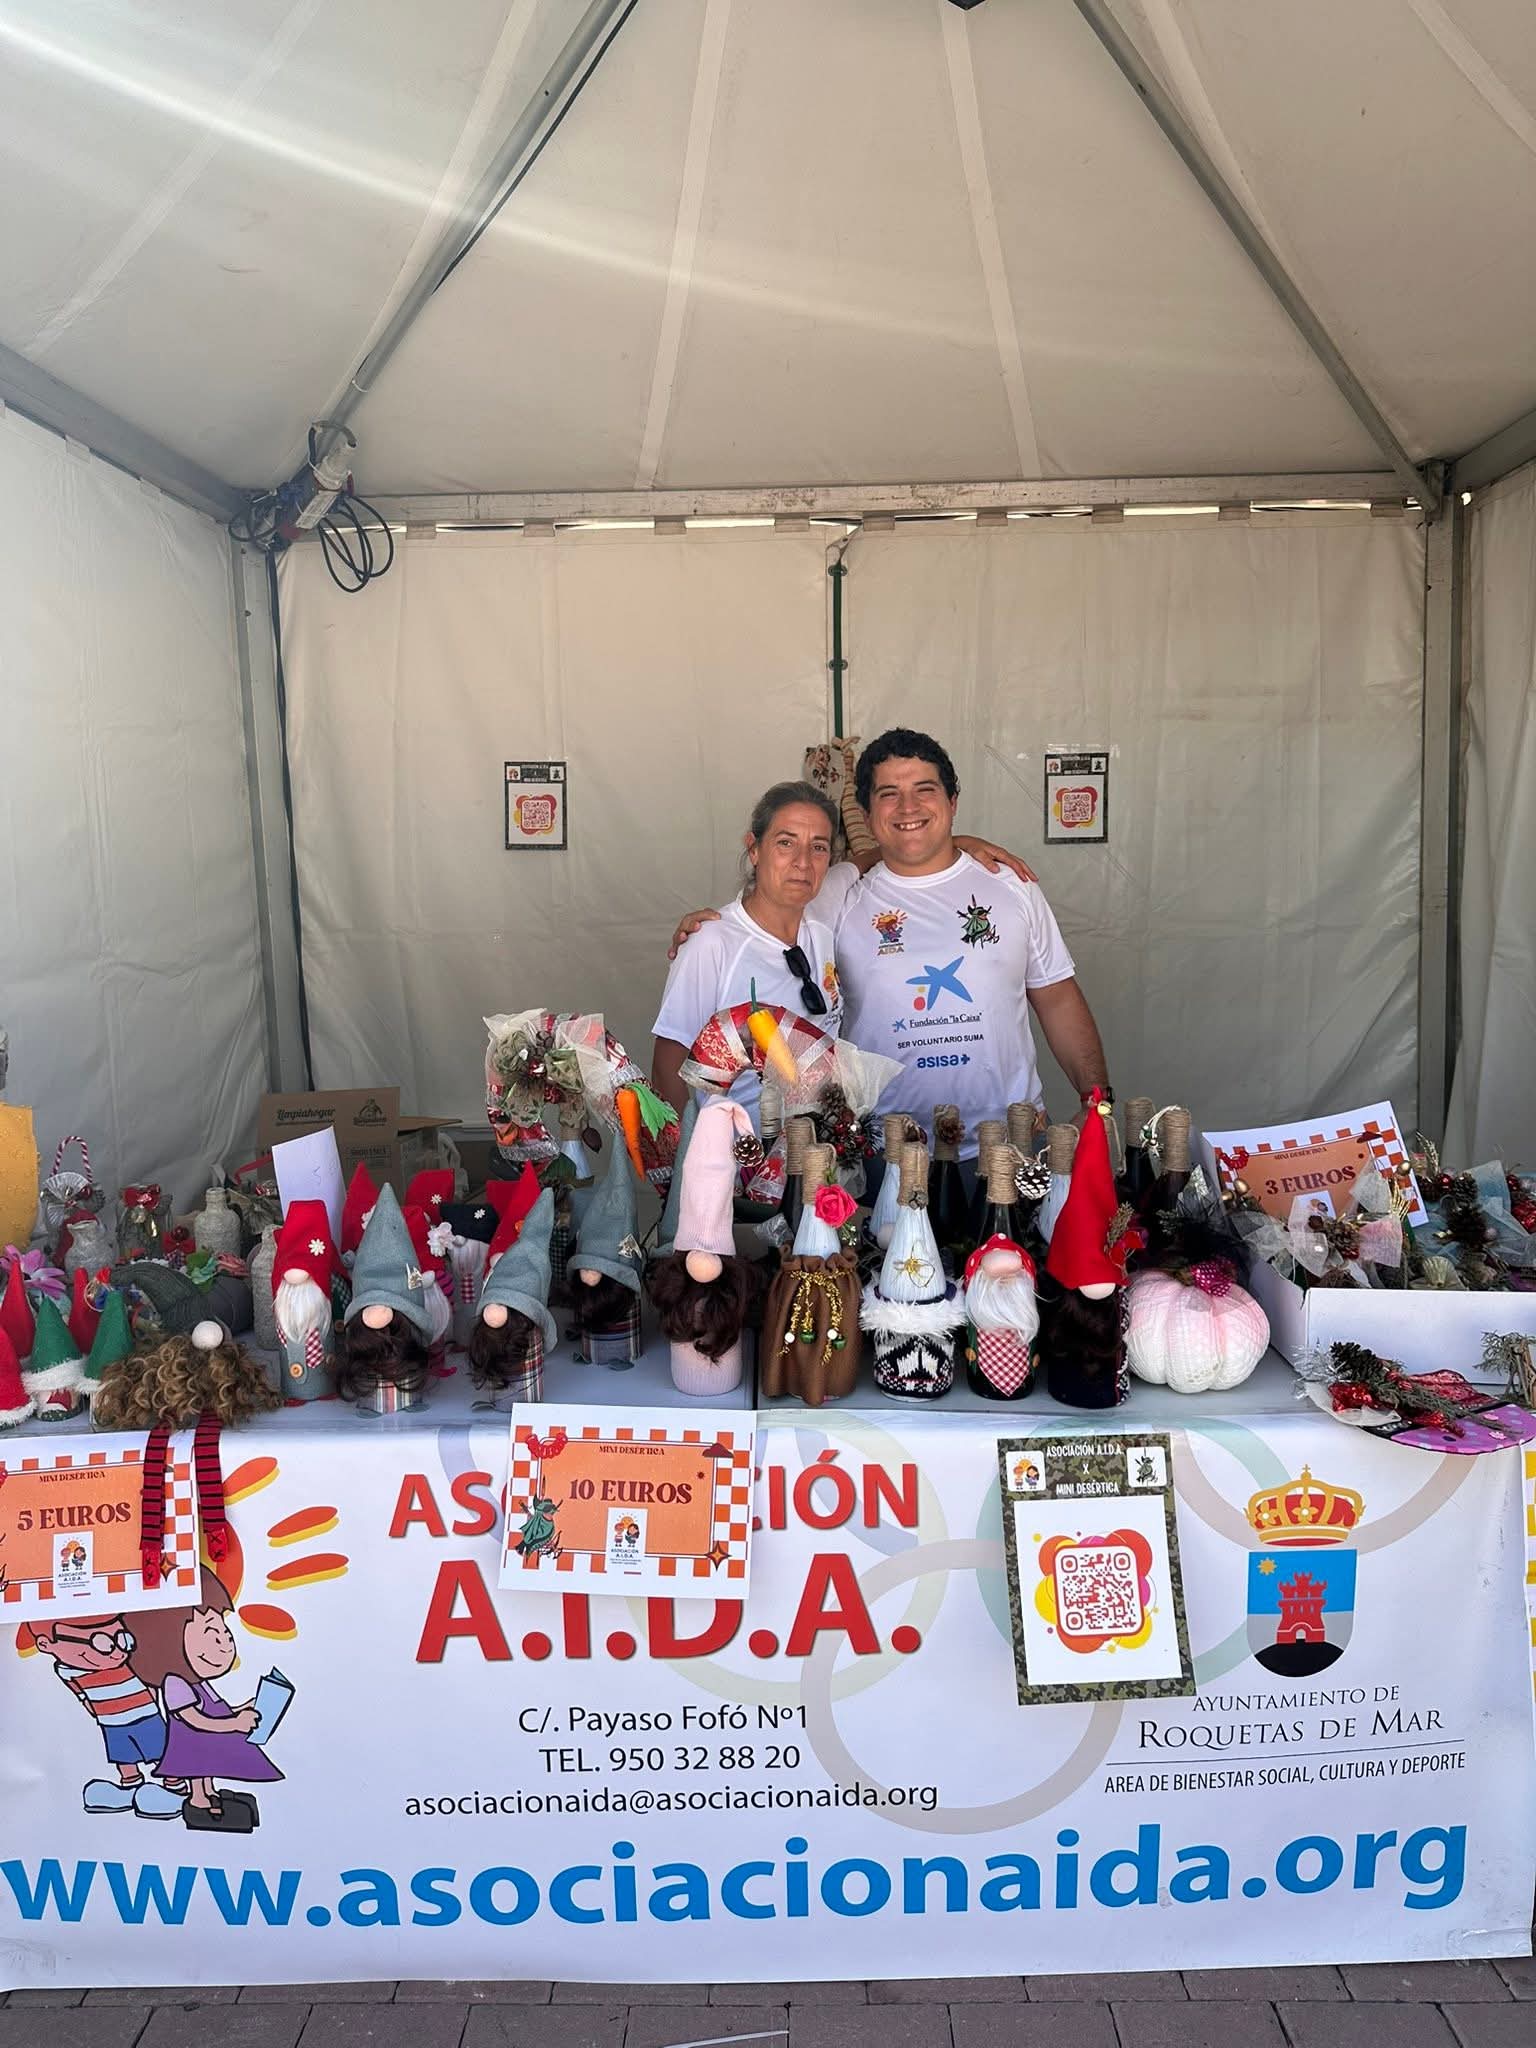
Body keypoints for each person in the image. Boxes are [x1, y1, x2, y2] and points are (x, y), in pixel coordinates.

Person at [669, 730, 1108, 1153]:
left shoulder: (1011, 885)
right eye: (888, 794)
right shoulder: (837, 899)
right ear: (866, 814)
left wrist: (1097, 1100)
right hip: (882, 1152)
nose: (908, 806)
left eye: (925, 790)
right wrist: (707, 932)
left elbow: (1057, 998)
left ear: (953, 802)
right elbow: (765, 911)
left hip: (1013, 1143)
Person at [651, 777, 1036, 1127]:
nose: (803, 862)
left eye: (818, 847)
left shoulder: (825, 908)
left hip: (827, 1157)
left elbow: (874, 856)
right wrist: (688, 1165)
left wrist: (957, 843)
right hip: (742, 1162)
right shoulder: (711, 942)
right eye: (785, 843)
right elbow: (669, 1070)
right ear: (754, 848)